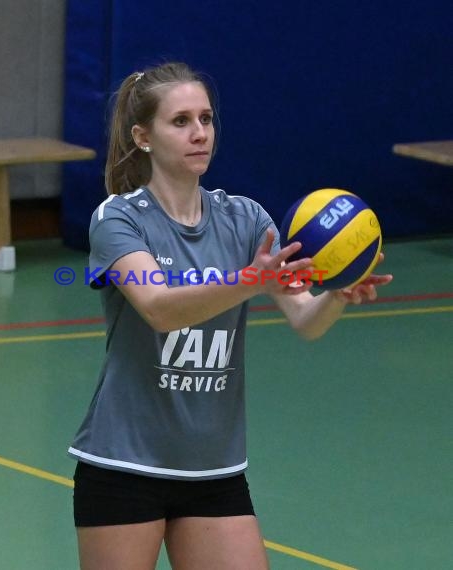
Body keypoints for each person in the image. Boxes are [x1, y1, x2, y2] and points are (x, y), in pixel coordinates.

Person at [68, 61, 392, 570]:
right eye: (181, 122)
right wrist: (250, 280)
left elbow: (304, 320)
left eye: (207, 118)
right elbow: (157, 308)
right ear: (143, 136)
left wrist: (337, 293)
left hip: (214, 469)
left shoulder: (247, 220)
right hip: (125, 465)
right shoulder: (119, 219)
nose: (200, 133)